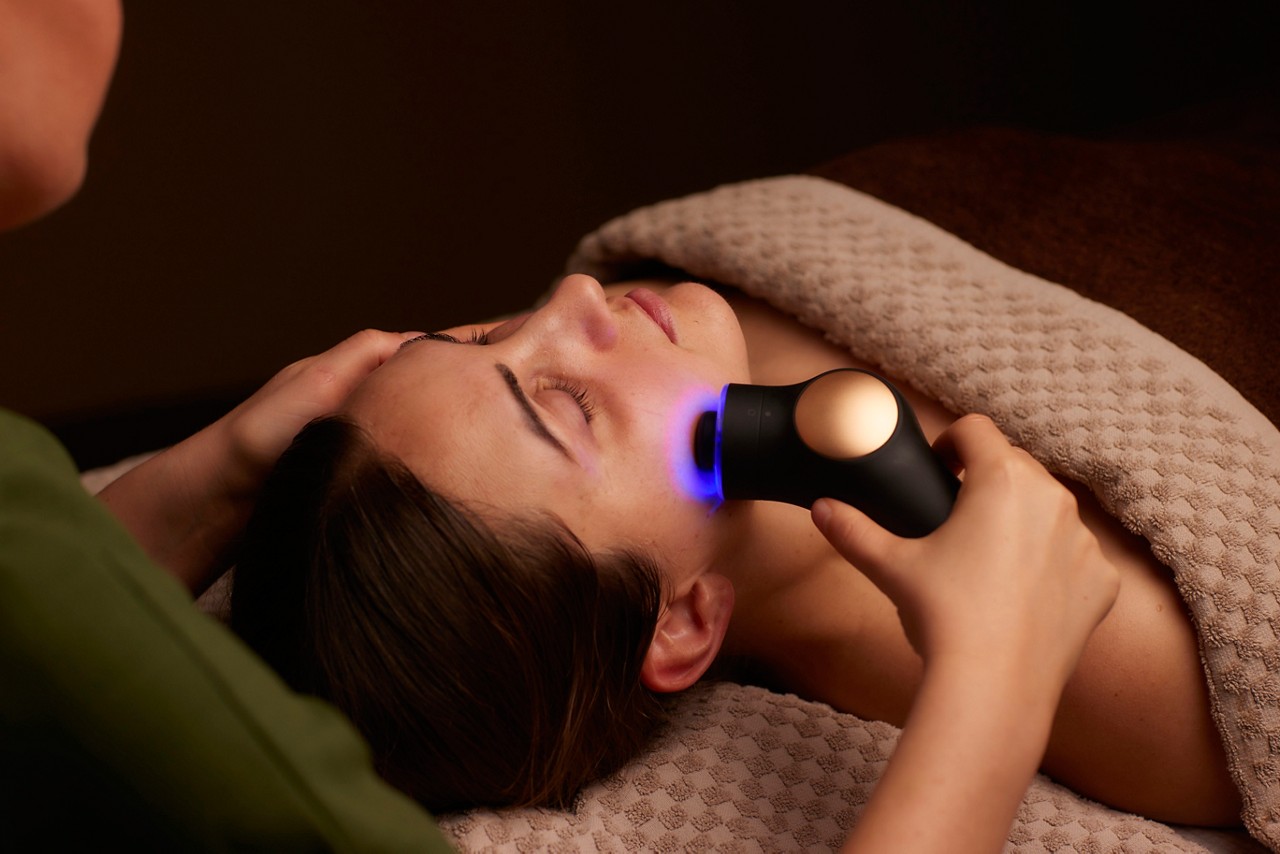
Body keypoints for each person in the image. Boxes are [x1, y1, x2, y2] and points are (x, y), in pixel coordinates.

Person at [211, 273, 1236, 829]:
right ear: (679, 620)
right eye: (564, 405)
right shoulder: (1138, 680)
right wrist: (998, 668)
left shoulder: (676, 327)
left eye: (481, 338)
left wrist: (209, 469)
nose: (574, 294)